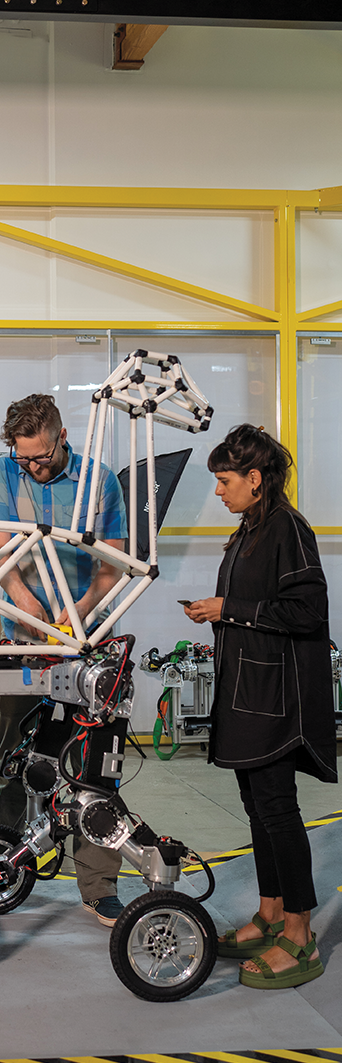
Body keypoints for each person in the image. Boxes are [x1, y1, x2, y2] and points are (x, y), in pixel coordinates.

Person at [185, 423, 336, 989]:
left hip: (276, 700)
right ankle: (271, 911)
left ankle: (298, 935)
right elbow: (254, 604)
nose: (219, 492)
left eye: (224, 481)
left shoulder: (288, 530)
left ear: (255, 478)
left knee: (277, 809)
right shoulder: (250, 527)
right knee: (257, 806)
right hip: (249, 695)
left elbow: (306, 613)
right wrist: (220, 612)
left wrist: (231, 608)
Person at [0, 393, 128, 926]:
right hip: (23, 638)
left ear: (62, 439)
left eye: (40, 457)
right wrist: (23, 601)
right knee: (12, 756)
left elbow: (114, 561)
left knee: (94, 766)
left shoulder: (100, 481)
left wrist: (81, 607)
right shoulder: (3, 472)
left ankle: (97, 885)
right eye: (24, 458)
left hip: (86, 635)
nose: (33, 467)